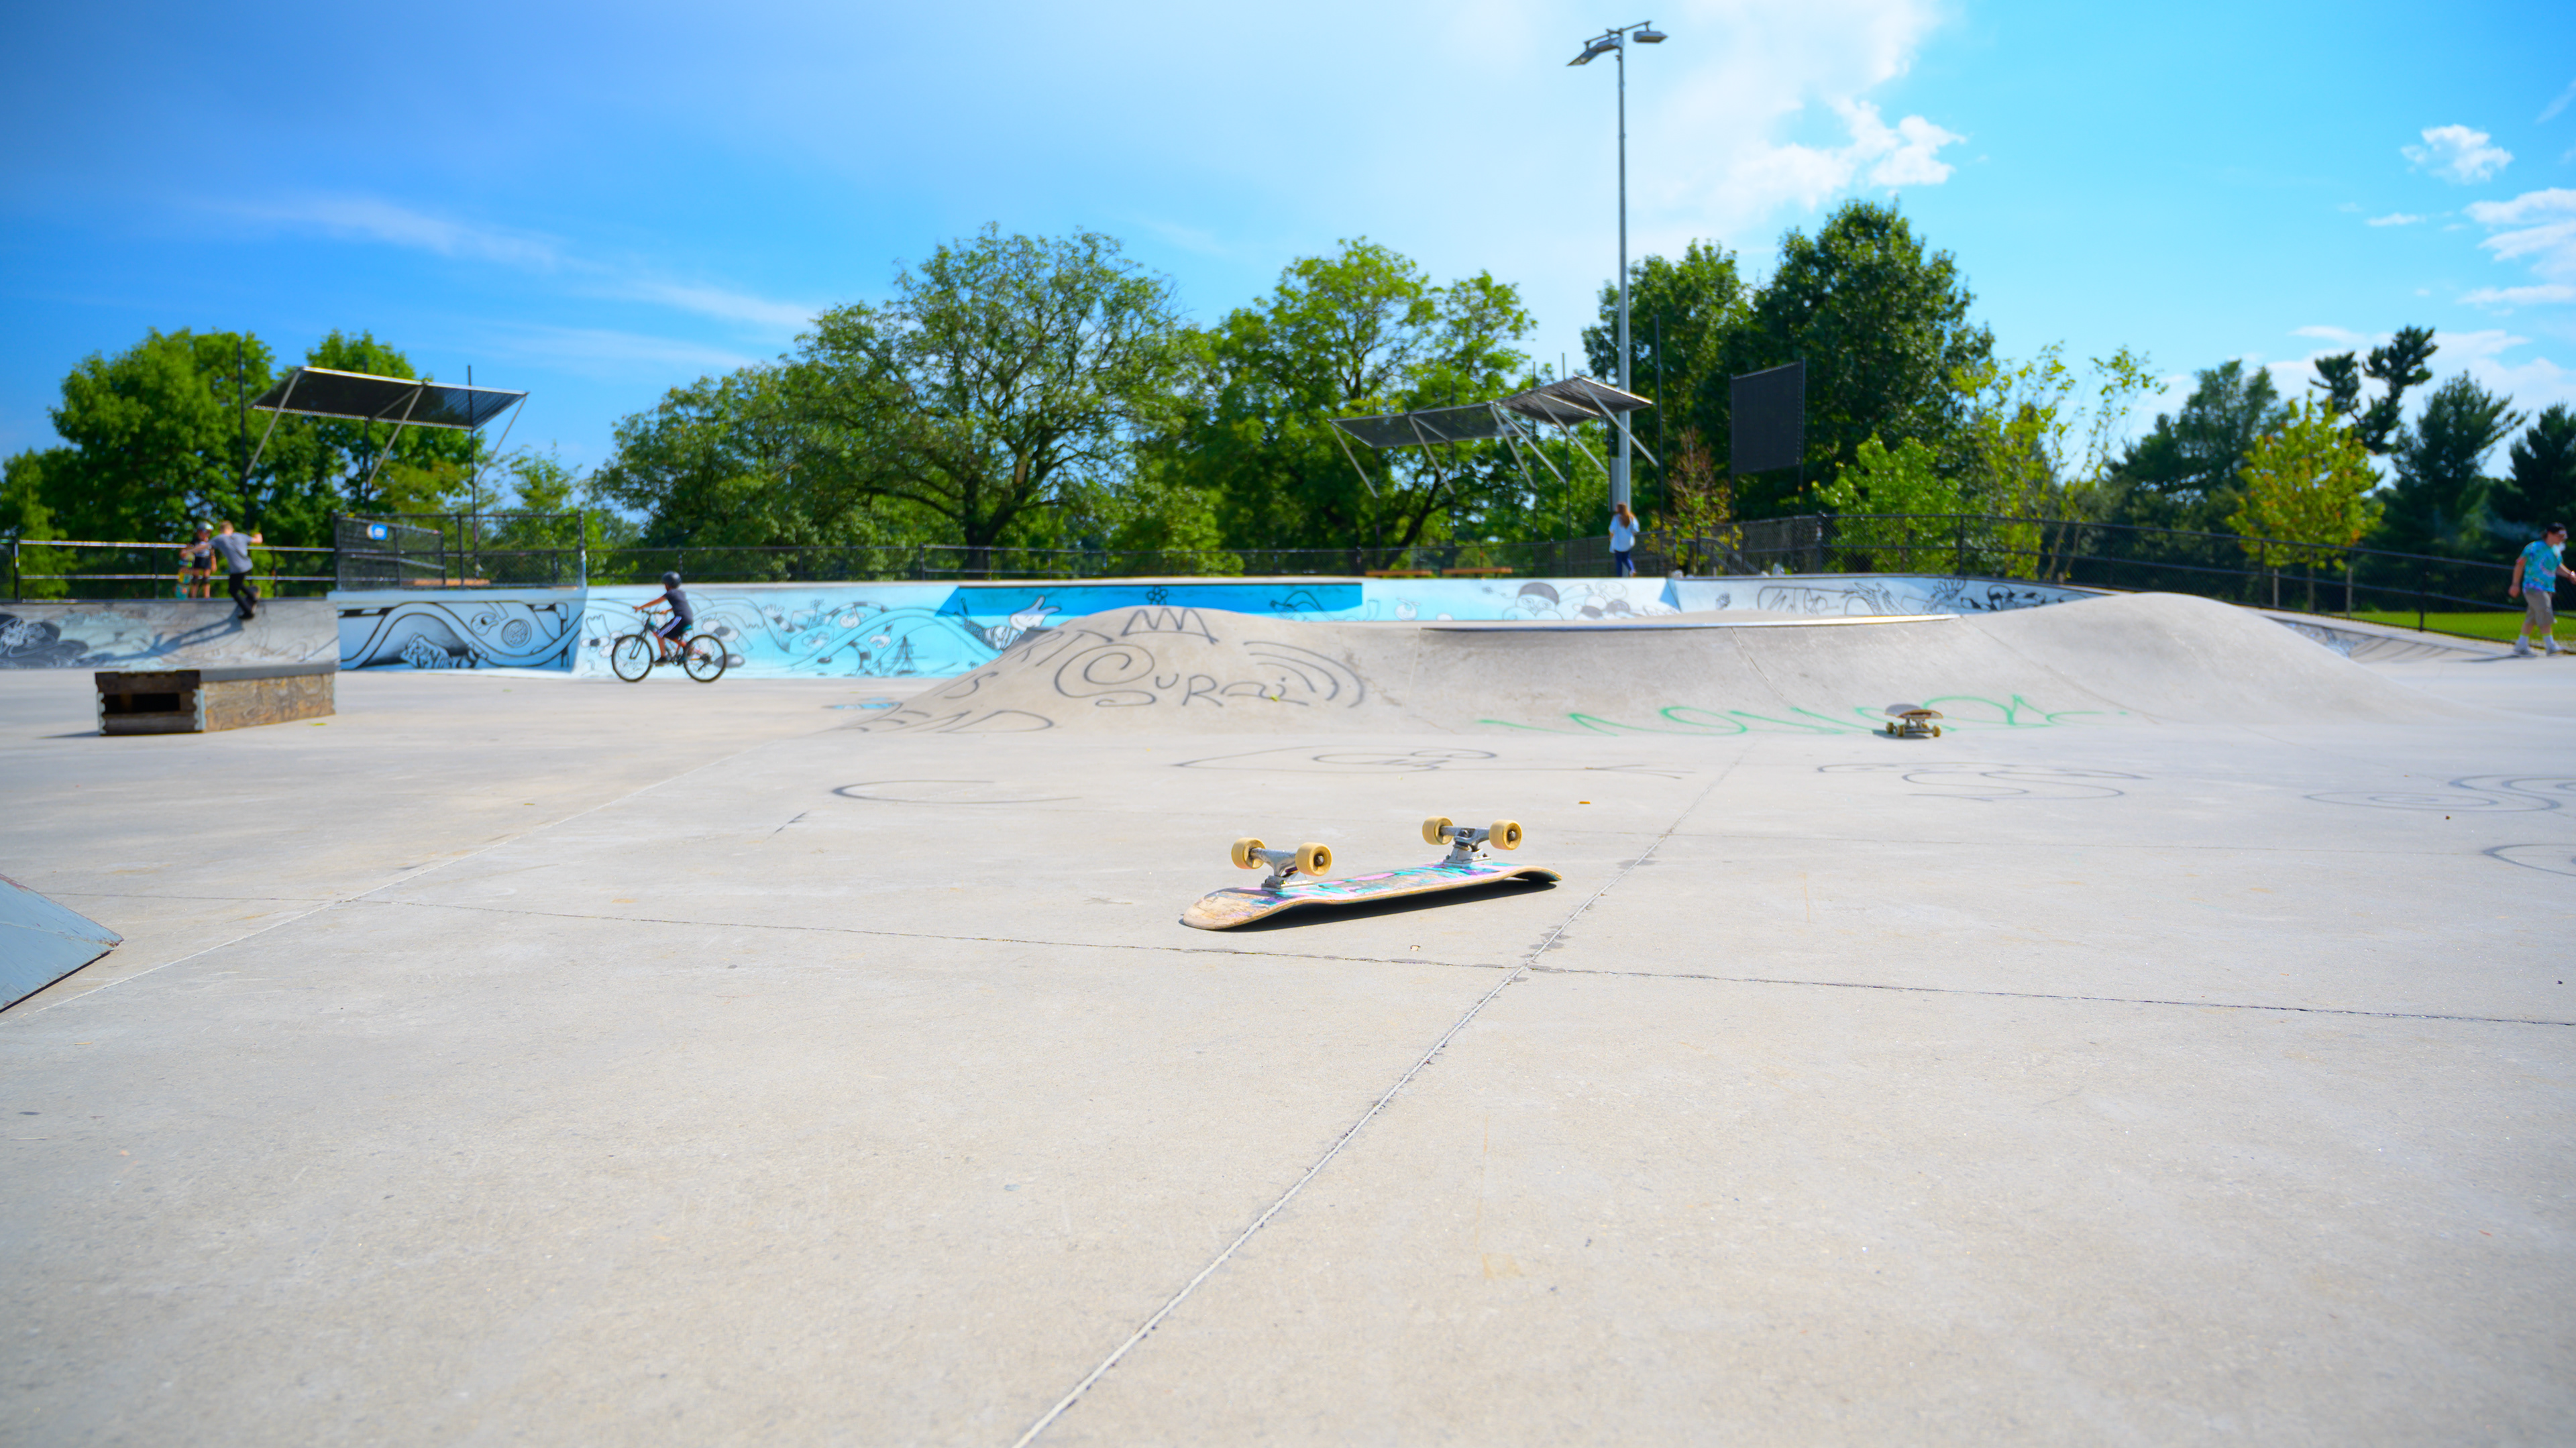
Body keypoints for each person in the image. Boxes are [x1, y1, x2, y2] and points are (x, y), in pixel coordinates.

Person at [2508, 522, 2573, 656]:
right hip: (2534, 587)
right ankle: (2550, 646)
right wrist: (2515, 584)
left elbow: (2557, 567)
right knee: (2545, 611)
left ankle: (2521, 645)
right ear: (2550, 534)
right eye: (2559, 535)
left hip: (2548, 588)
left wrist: (2570, 575)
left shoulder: (2556, 550)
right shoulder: (2534, 547)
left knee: (2532, 618)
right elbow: (2520, 564)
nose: (2562, 539)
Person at [208, 520, 263, 622]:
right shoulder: (240, 536)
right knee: (237, 583)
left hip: (237, 569)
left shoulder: (220, 538)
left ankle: (248, 612)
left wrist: (189, 551)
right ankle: (253, 597)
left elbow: (204, 546)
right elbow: (258, 541)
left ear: (221, 530)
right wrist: (259, 535)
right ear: (232, 529)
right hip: (247, 566)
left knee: (233, 591)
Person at [639, 571, 696, 661]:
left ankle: (663, 657)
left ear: (669, 584)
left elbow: (655, 602)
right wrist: (667, 610)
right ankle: (686, 647)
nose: (665, 586)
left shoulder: (670, 593)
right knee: (669, 635)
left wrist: (640, 607)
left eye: (665, 584)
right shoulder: (680, 593)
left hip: (680, 619)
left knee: (659, 634)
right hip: (687, 618)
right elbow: (680, 605)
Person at [178, 525, 214, 600]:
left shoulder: (210, 542)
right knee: (195, 579)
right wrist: (183, 552)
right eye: (206, 533)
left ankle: (207, 596)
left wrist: (214, 564)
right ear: (200, 532)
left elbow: (212, 554)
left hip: (206, 561)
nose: (207, 535)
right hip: (197, 560)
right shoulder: (195, 541)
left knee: (206, 579)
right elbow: (187, 547)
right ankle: (193, 595)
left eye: (208, 533)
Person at [1609, 501, 1639, 578]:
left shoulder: (1616, 518)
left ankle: (1619, 577)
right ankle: (1632, 570)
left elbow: (1612, 530)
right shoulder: (1631, 517)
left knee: (1619, 560)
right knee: (1626, 558)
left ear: (1619, 509)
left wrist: (1611, 537)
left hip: (1618, 543)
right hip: (1628, 542)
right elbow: (1635, 530)